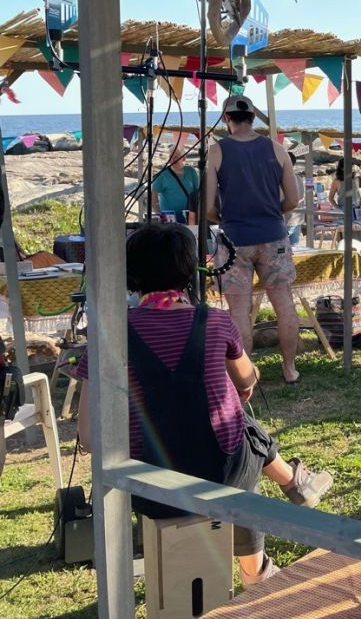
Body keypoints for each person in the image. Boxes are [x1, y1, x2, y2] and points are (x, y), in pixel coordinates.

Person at [75, 223, 333, 587]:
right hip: (223, 474)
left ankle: (291, 492)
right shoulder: (214, 321)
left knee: (234, 429)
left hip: (150, 486)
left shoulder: (109, 334)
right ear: (191, 270)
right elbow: (248, 380)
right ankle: (255, 566)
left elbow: (87, 436)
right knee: (237, 430)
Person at [206, 94, 302, 385]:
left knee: (239, 310)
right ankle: (289, 368)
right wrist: (273, 213)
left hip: (235, 239)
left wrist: (223, 219)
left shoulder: (216, 151)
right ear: (252, 118)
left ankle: (243, 377)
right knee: (284, 304)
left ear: (226, 119)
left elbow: (208, 206)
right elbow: (294, 200)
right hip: (274, 236)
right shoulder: (277, 148)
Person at [151, 144, 199, 222]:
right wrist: (160, 214)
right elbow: (153, 197)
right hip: (170, 220)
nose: (173, 159)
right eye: (171, 157)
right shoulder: (162, 175)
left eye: (176, 156)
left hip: (189, 218)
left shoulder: (191, 172)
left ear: (184, 158)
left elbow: (198, 193)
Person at [285, 151, 304, 246]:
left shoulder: (284, 179)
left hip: (287, 219)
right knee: (295, 251)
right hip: (297, 219)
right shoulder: (299, 178)